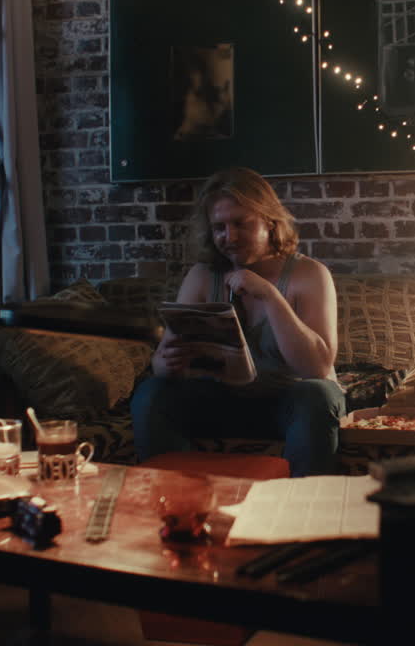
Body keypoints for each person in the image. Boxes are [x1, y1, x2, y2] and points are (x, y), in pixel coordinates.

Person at [130, 167, 344, 476]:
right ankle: (179, 505)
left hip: (290, 403)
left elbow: (317, 368)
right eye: (219, 227)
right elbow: (161, 365)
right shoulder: (203, 277)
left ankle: (303, 511)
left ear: (270, 223)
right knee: (152, 393)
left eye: (241, 224)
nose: (229, 237)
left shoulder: (309, 275)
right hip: (222, 400)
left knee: (318, 395)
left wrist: (270, 296)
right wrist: (169, 362)